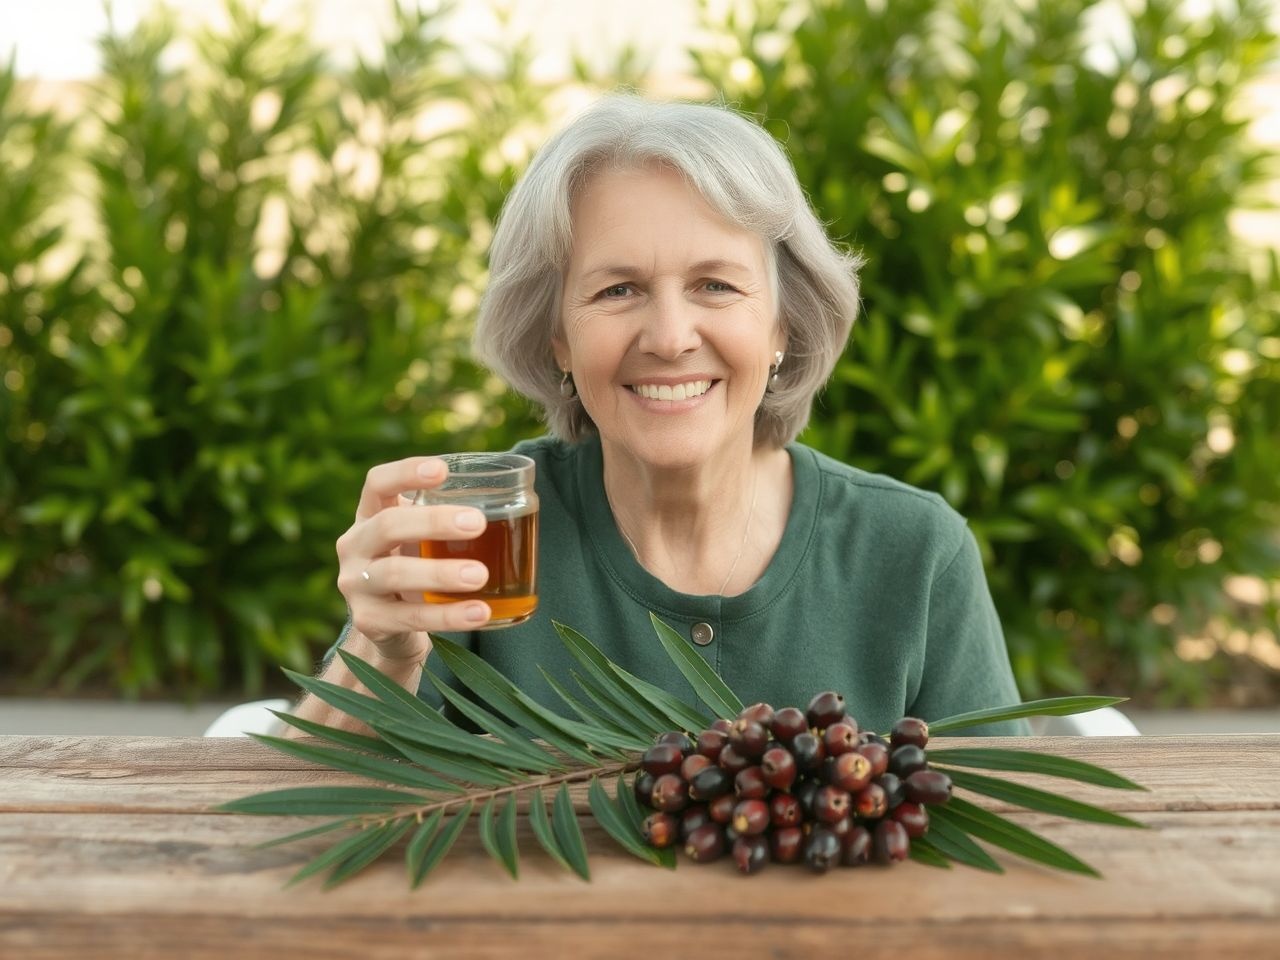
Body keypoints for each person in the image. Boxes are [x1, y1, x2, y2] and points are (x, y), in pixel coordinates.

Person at [293, 94, 1028, 738]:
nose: (671, 337)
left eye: (715, 284)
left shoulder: (915, 554)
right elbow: (303, 821)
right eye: (617, 290)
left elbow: (1001, 832)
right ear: (558, 337)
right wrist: (382, 650)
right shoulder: (480, 540)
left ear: (783, 327)